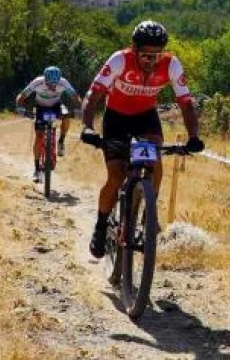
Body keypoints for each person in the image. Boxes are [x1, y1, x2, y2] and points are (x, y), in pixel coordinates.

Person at [79, 20, 204, 258]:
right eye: (145, 55)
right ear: (135, 50)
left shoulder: (171, 65)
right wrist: (87, 127)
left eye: (156, 55)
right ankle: (101, 225)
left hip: (145, 117)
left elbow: (186, 104)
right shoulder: (119, 60)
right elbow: (94, 94)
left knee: (155, 162)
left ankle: (149, 213)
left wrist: (194, 136)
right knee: (115, 177)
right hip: (116, 118)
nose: (151, 60)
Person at [16, 66, 81, 183]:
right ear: (44, 80)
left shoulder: (63, 82)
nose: (52, 87)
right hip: (41, 107)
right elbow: (22, 96)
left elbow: (76, 97)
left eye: (55, 84)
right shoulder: (37, 82)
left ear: (59, 80)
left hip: (56, 106)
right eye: (49, 84)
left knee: (66, 116)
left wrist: (78, 109)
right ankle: (36, 169)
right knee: (39, 136)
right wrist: (20, 108)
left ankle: (61, 141)